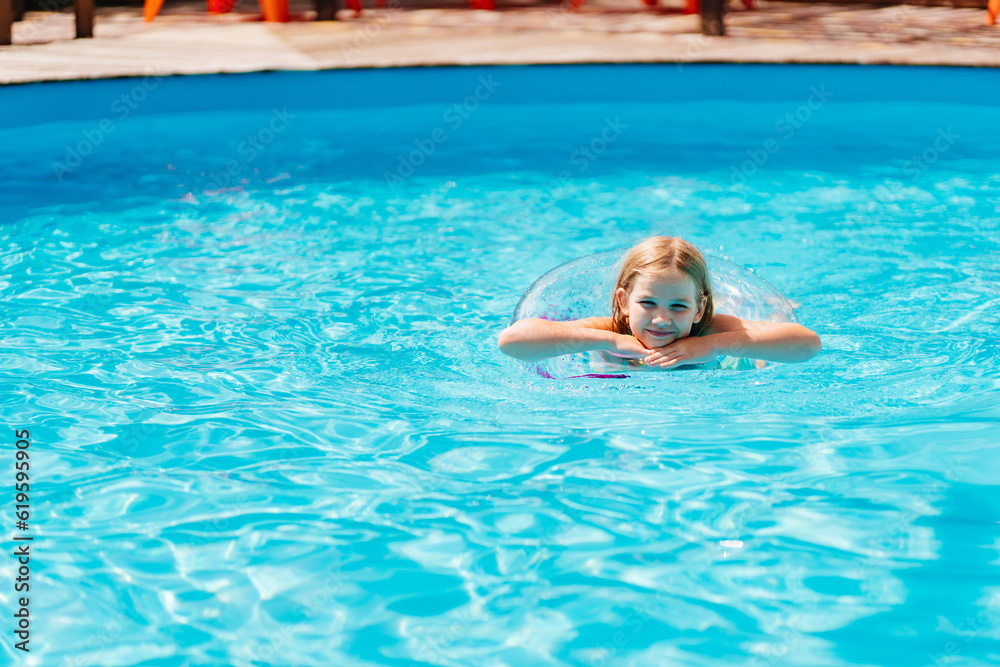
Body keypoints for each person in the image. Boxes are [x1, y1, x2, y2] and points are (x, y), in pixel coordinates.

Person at [498, 235, 820, 369]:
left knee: (766, 330)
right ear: (624, 302)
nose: (661, 319)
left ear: (699, 309)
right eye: (648, 303)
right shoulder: (612, 329)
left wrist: (713, 347)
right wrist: (612, 341)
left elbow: (806, 344)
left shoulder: (709, 330)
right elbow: (511, 341)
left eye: (678, 306)